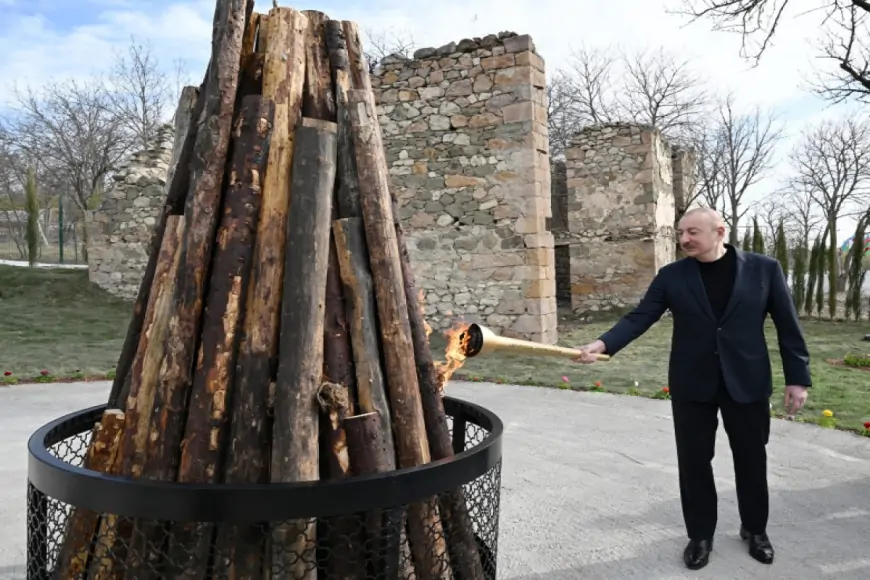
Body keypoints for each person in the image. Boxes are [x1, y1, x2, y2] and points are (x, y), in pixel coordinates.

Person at [574, 207, 811, 571]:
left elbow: (788, 327)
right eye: (680, 233)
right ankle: (700, 535)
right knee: (694, 462)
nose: (684, 239)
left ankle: (755, 530)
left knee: (751, 459)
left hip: (747, 382)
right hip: (692, 383)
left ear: (720, 232)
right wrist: (603, 344)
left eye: (692, 233)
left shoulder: (765, 269)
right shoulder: (672, 276)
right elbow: (641, 316)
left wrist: (797, 378)